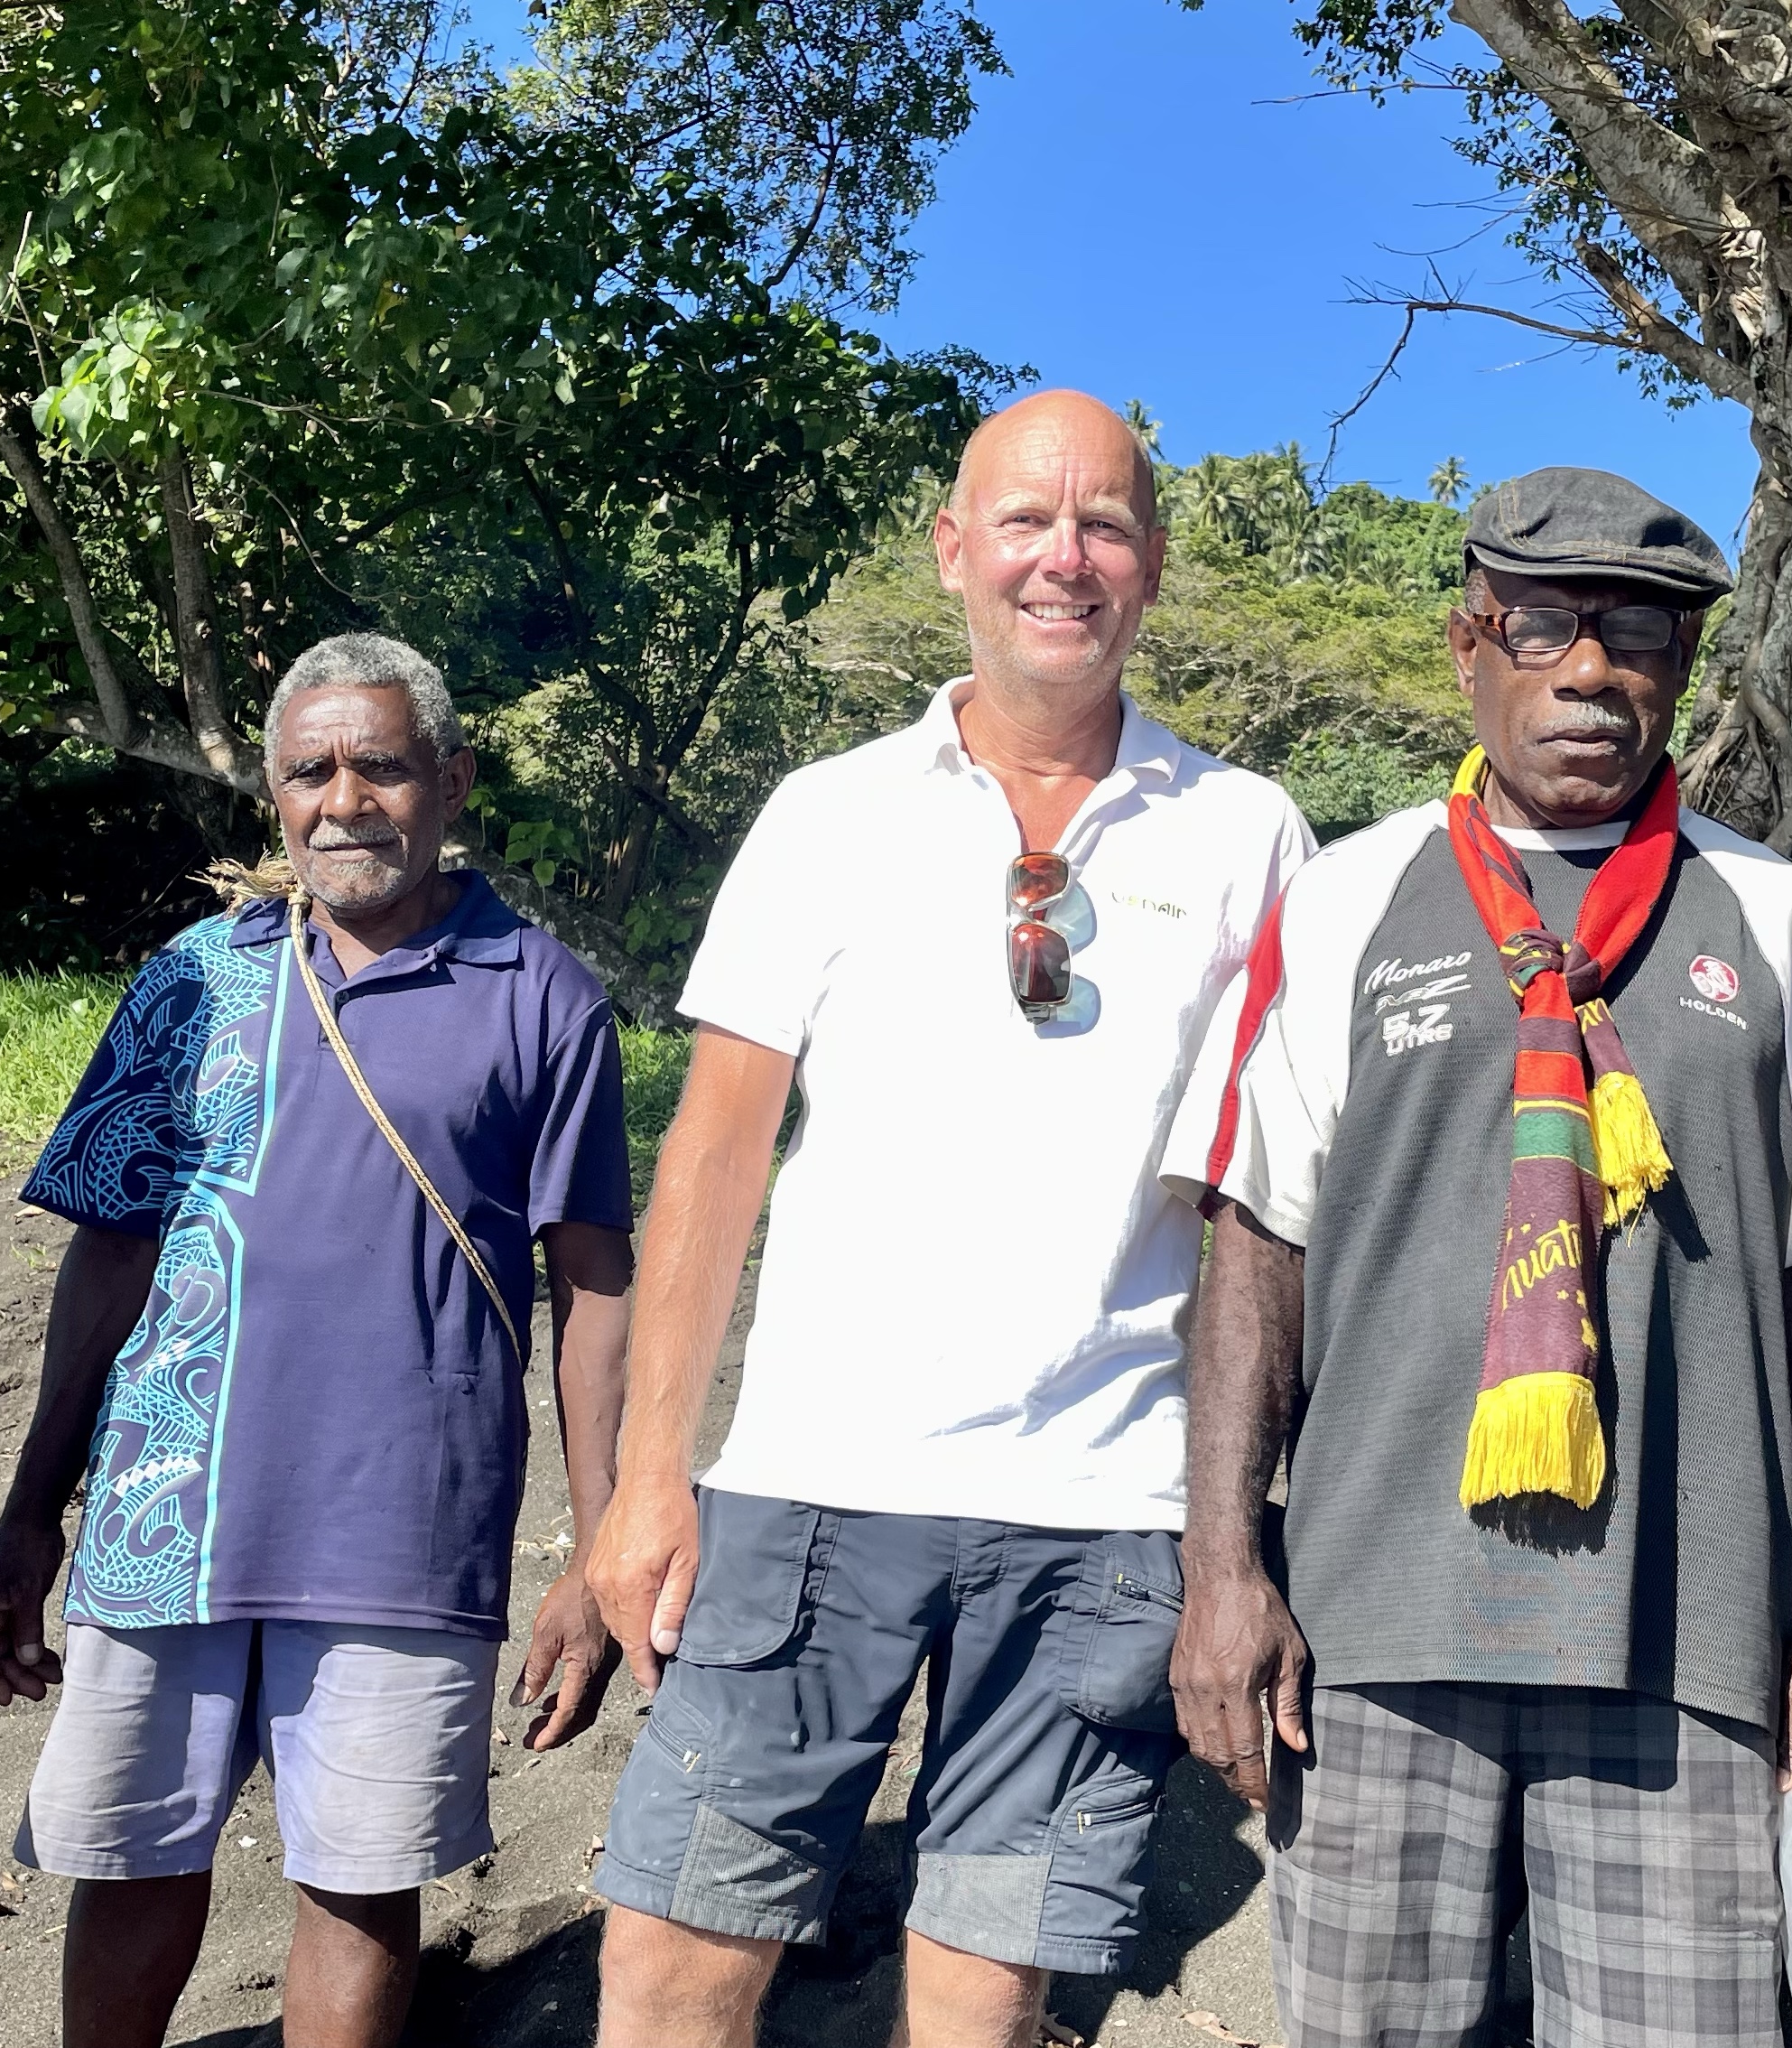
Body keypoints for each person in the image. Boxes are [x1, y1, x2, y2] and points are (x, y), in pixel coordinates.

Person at [579, 388, 1315, 2048]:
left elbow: (1265, 1205)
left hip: (1102, 1507)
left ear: (1153, 564)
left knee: (984, 2000)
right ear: (953, 551)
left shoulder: (1248, 831)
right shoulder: (828, 810)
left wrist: (1239, 1540)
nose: (1066, 557)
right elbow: (715, 1152)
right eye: (1027, 520)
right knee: (676, 1963)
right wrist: (648, 1481)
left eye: (1105, 523)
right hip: (812, 1478)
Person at [1164, 467, 1792, 2048]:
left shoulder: (1781, 918)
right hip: (1372, 1632)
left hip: (1687, 1636)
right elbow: (1256, 1244)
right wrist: (1223, 1572)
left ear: (1682, 666)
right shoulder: (1343, 900)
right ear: (1469, 646)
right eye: (1542, 625)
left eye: (1635, 632)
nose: (1589, 668)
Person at [0, 632, 635, 2048]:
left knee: (363, 1878)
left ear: (451, 781)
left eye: (381, 767)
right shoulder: (191, 980)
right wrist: (29, 1513)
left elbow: (593, 1291)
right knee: (129, 1854)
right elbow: (110, 1256)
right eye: (310, 772)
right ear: (274, 794)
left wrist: (599, 1551)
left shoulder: (545, 995)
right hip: (167, 1507)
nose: (344, 801)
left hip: (404, 1520)